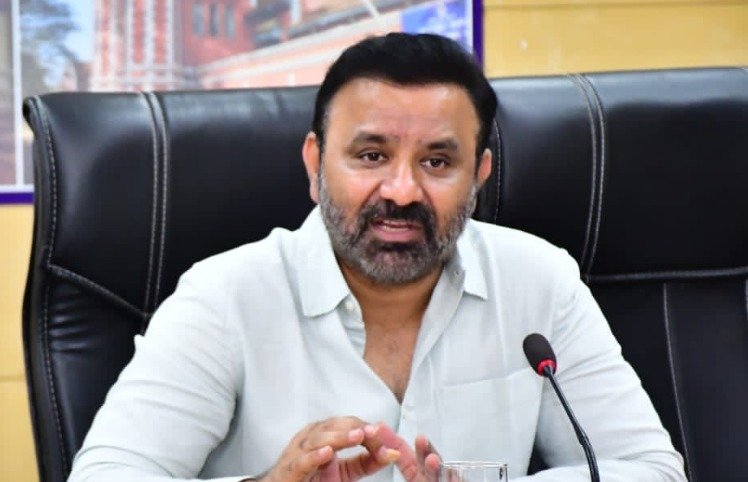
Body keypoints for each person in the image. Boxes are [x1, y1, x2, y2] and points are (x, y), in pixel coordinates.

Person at [68, 33, 686, 482]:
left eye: (437, 162)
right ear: (316, 165)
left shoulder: (538, 280)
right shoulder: (224, 296)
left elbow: (650, 469)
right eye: (371, 156)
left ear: (479, 176)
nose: (402, 190)